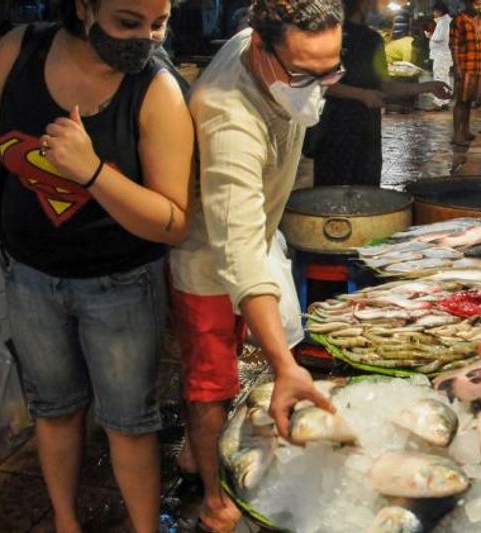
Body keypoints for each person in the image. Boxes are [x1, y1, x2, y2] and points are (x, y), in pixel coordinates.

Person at [0, 1, 193, 531]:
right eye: (128, 22)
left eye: (159, 23)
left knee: (128, 424)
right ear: (84, 7)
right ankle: (64, 522)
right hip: (29, 274)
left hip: (121, 284)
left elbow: (171, 222)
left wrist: (92, 170)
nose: (146, 38)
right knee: (54, 413)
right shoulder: (19, 52)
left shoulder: (157, 90)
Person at [167, 1, 344, 530]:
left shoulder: (264, 44)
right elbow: (240, 253)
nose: (318, 85)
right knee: (209, 386)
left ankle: (189, 456)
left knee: (228, 370)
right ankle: (215, 502)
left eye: (331, 69)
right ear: (261, 49)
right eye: (303, 73)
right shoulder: (230, 121)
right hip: (206, 267)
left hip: (248, 237)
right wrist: (286, 364)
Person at [310, 0, 450, 187]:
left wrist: (427, 87)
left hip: (360, 130)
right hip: (338, 128)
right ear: (363, 4)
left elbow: (384, 85)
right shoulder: (342, 36)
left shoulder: (365, 38)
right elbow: (319, 82)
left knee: (344, 189)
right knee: (351, 190)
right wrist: (363, 95)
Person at [450, 0, 481, 146]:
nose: (479, 7)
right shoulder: (458, 20)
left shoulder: (480, 20)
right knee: (461, 101)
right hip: (464, 66)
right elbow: (454, 45)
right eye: (476, 4)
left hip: (477, 66)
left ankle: (465, 130)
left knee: (469, 100)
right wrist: (457, 67)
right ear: (468, 4)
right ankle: (456, 135)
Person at [429, 1, 454, 110]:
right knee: (444, 78)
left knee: (439, 77)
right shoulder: (445, 21)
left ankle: (438, 102)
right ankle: (445, 101)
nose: (433, 13)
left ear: (439, 11)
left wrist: (430, 36)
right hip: (443, 54)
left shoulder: (444, 22)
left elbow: (440, 37)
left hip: (441, 55)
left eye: (434, 11)